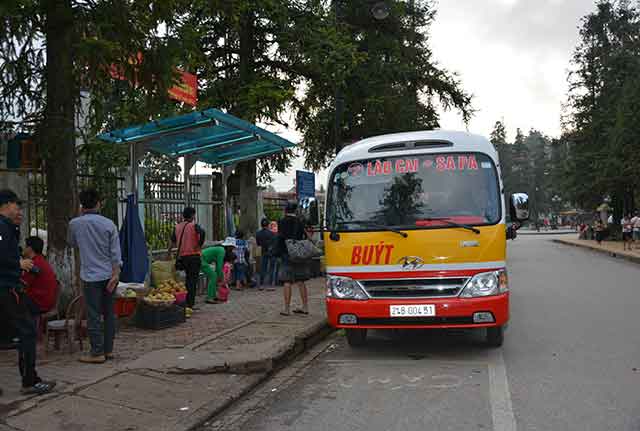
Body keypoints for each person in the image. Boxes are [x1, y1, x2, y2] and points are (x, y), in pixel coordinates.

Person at [0, 189, 55, 395]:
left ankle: (30, 379)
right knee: (27, 331)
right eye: (17, 206)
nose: (19, 211)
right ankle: (30, 381)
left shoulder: (8, 228)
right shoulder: (1, 227)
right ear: (5, 205)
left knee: (25, 328)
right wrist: (19, 263)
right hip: (6, 289)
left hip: (10, 289)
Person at [69, 189, 121, 364]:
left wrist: (79, 216)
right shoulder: (109, 224)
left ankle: (97, 352)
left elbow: (72, 243)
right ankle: (108, 350)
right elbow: (115, 253)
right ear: (99, 203)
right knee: (109, 314)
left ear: (82, 205)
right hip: (109, 275)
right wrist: (116, 274)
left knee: (93, 315)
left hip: (90, 276)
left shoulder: (75, 224)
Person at [276, 202, 311, 316]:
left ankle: (286, 309)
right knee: (301, 281)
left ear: (286, 210)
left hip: (286, 253)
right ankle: (305, 307)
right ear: (295, 211)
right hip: (299, 253)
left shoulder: (281, 221)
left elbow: (280, 237)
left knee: (287, 281)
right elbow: (305, 236)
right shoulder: (300, 221)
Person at [169, 207, 205, 309]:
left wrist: (168, 253)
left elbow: (172, 241)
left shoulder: (177, 227)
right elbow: (202, 232)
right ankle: (190, 304)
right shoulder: (194, 226)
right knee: (192, 281)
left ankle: (183, 301)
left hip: (183, 257)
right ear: (192, 215)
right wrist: (199, 245)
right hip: (194, 256)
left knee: (185, 281)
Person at [20, 236, 58, 318]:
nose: (23, 248)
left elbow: (22, 284)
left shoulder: (33, 263)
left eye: (25, 246)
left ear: (30, 249)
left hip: (39, 302)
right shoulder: (41, 260)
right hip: (47, 301)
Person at [256, 218, 277, 291]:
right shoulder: (272, 234)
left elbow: (258, 244)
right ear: (268, 225)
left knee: (263, 268)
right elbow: (274, 243)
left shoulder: (258, 233)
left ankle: (261, 284)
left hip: (263, 251)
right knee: (271, 269)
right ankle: (270, 285)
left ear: (261, 225)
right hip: (271, 252)